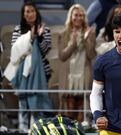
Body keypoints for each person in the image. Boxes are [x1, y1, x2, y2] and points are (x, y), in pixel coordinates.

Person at [3, 1, 53, 132]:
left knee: (37, 102)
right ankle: (24, 129)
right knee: (23, 103)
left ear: (36, 13)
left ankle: (36, 130)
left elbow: (45, 50)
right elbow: (16, 50)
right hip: (22, 72)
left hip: (41, 72)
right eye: (27, 12)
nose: (30, 14)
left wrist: (40, 37)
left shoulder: (45, 29)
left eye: (32, 11)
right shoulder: (17, 29)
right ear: (23, 14)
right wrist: (30, 37)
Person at [58, 4, 96, 123]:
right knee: (69, 114)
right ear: (71, 17)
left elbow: (91, 55)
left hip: (83, 75)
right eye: (76, 15)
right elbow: (62, 56)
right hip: (69, 77)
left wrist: (86, 41)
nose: (78, 18)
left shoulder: (90, 33)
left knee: (82, 116)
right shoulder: (63, 34)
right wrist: (73, 43)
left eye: (81, 15)